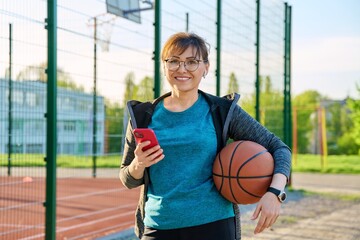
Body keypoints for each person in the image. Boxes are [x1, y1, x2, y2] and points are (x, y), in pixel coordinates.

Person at [120, 32, 291, 240]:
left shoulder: (222, 112)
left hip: (214, 225)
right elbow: (127, 179)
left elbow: (279, 148)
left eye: (191, 62)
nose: (182, 69)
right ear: (164, 66)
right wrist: (139, 164)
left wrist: (275, 193)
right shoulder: (143, 117)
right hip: (159, 226)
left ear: (206, 67)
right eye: (174, 61)